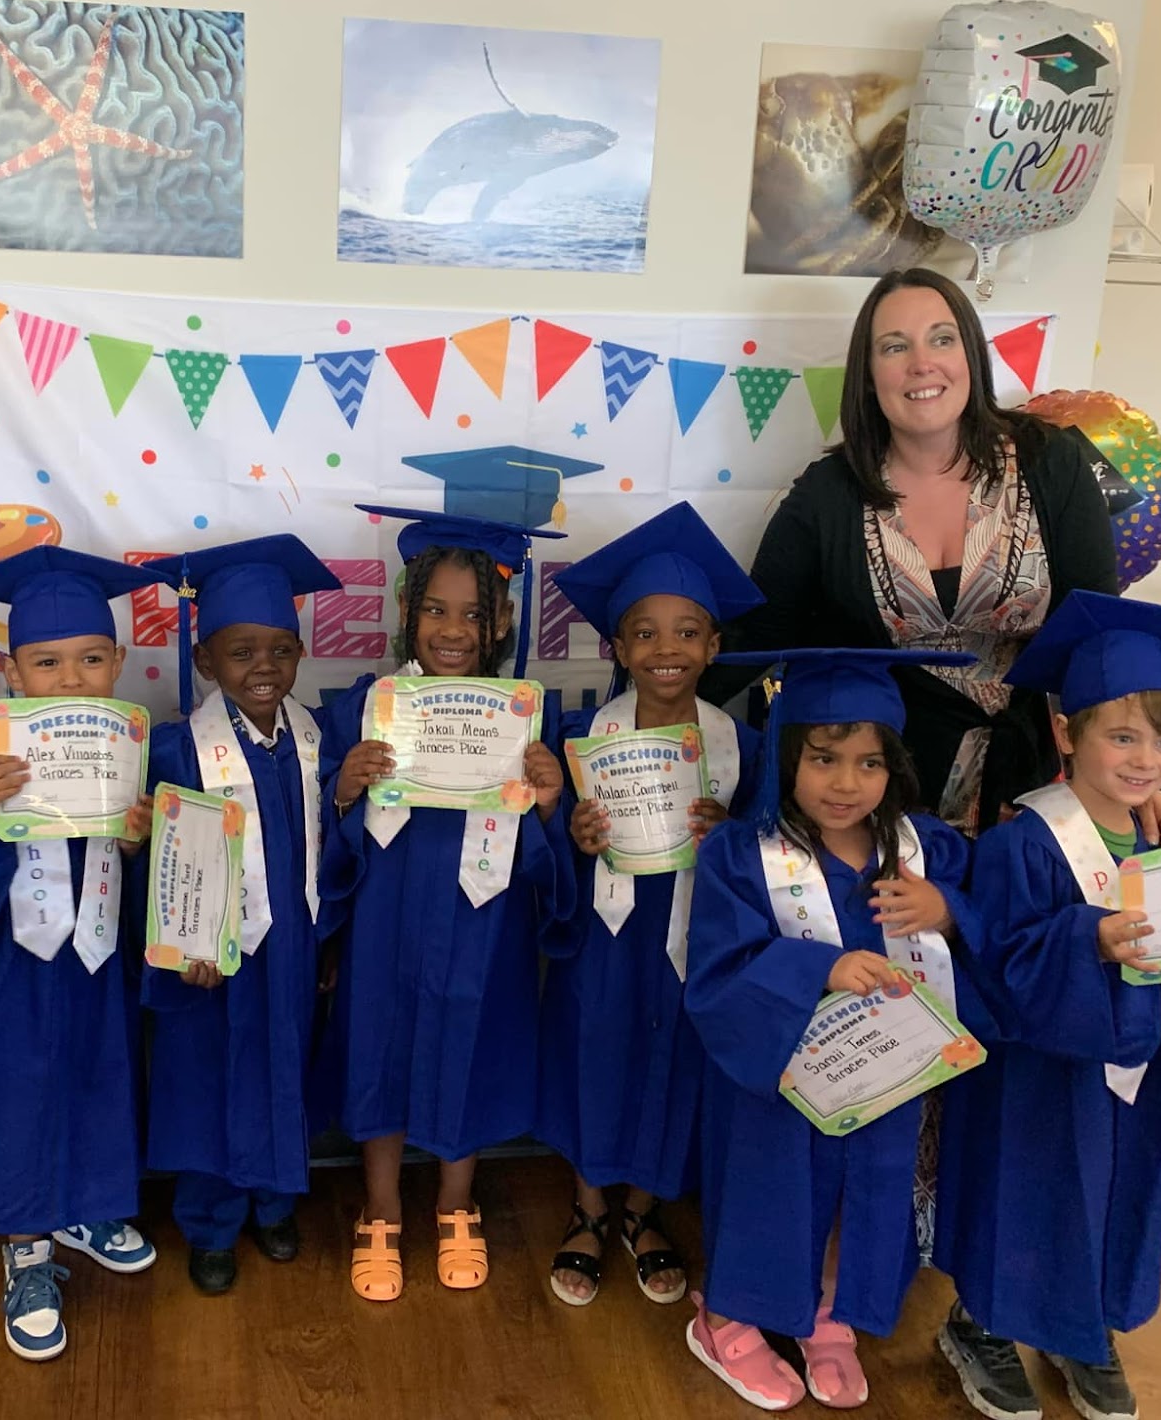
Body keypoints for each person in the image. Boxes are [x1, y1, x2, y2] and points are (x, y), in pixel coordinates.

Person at [936, 592, 1161, 1420]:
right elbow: (995, 966)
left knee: (1115, 1184)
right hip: (1037, 1073)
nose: (1145, 760)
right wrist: (1086, 942)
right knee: (1027, 1187)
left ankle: (1082, 1322)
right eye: (1123, 737)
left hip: (1141, 1058)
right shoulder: (1019, 843)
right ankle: (982, 1321)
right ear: (1067, 734)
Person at [706, 268, 1136, 841]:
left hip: (1033, 789)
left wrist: (1135, 786)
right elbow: (758, 636)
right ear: (868, 375)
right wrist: (645, 717)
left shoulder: (1051, 463)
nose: (921, 363)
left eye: (942, 338)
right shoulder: (828, 496)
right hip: (881, 802)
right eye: (894, 347)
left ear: (971, 355)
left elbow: (1101, 640)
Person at [684, 648, 993, 1411]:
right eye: (823, 759)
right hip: (775, 1080)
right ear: (787, 757)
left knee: (862, 1190)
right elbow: (718, 973)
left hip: (882, 1076)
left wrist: (948, 911)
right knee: (771, 1189)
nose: (846, 783)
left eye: (869, 763)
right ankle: (726, 1317)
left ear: (894, 767)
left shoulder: (926, 851)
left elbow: (991, 932)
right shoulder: (741, 855)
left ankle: (827, 1310)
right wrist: (817, 968)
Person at [318, 505, 575, 1302]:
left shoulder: (523, 718)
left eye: (474, 613)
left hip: (482, 915)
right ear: (406, 610)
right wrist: (344, 789)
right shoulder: (366, 707)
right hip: (386, 917)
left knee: (471, 1043)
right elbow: (326, 829)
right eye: (436, 609)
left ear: (502, 623)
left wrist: (547, 803)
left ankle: (457, 1205)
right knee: (380, 1047)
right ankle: (382, 1209)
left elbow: (548, 853)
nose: (454, 629)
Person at [536, 502, 768, 1308]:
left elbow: (772, 856)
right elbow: (546, 850)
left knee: (677, 1060)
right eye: (644, 633)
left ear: (714, 646)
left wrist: (730, 836)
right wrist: (573, 833)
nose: (666, 649)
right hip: (607, 934)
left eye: (687, 632)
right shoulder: (579, 738)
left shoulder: (744, 748)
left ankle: (642, 1208)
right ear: (617, 648)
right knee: (593, 1048)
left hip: (693, 936)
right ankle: (588, 1206)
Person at [0, 545, 163, 1362]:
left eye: (91, 659)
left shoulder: (132, 746)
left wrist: (140, 843)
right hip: (15, 960)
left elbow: (147, 869)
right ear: (11, 670)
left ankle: (89, 1209)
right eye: (47, 662)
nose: (71, 678)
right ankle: (26, 1250)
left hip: (97, 954)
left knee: (102, 1074)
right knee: (20, 1092)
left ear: (118, 661)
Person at [139, 536, 341, 1295]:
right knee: (208, 1083)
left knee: (286, 1069)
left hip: (292, 951)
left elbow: (337, 848)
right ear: (205, 661)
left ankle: (275, 1201)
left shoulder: (317, 740)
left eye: (281, 650)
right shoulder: (176, 751)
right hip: (212, 963)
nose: (264, 667)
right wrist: (179, 946)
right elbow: (159, 869)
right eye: (241, 651)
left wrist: (330, 941)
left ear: (300, 654)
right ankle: (211, 1222)